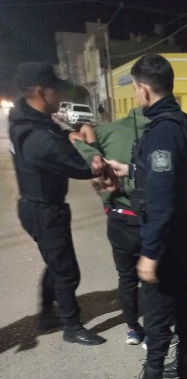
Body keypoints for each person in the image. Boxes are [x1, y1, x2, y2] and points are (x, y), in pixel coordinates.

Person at [108, 54, 187, 379]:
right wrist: (130, 170)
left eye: (135, 89)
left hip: (167, 238)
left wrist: (149, 253)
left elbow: (161, 198)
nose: (136, 95)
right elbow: (173, 173)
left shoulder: (162, 132)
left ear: (144, 90)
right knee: (181, 300)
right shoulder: (184, 123)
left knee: (158, 310)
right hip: (184, 230)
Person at [9, 62, 114, 345]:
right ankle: (72, 326)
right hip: (45, 210)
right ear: (41, 92)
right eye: (56, 89)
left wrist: (68, 133)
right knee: (66, 271)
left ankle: (46, 315)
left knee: (55, 263)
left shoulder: (26, 119)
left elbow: (56, 134)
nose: (60, 95)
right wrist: (93, 147)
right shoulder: (38, 138)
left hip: (36, 206)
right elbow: (83, 167)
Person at [72, 108, 150, 345]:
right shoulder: (162, 133)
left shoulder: (109, 130)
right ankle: (154, 332)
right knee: (151, 278)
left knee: (126, 278)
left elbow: (76, 135)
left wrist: (92, 154)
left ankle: (133, 329)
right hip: (148, 219)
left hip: (118, 217)